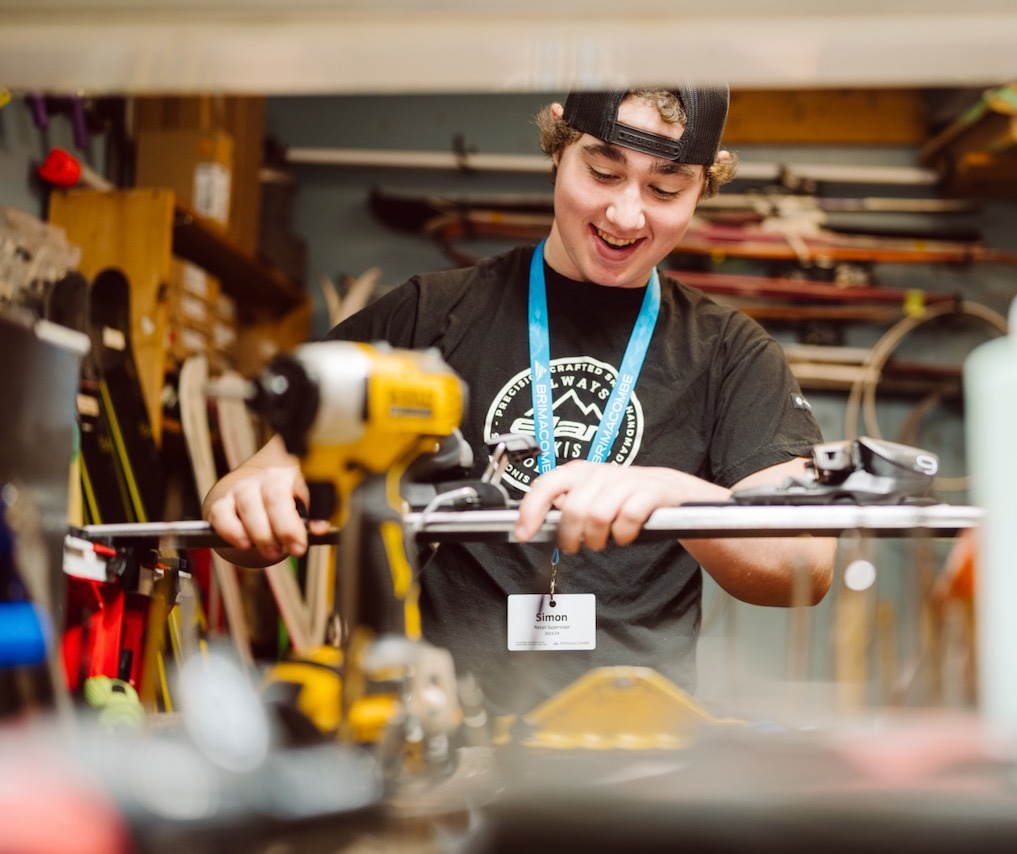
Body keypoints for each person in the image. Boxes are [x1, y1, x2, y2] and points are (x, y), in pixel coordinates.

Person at [204, 84, 836, 714]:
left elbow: (805, 563)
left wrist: (676, 494)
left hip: (634, 757)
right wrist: (248, 495)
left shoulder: (730, 353)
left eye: (664, 190)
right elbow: (252, 491)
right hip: (437, 732)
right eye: (602, 171)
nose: (625, 214)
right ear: (557, 143)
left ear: (707, 184)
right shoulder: (429, 315)